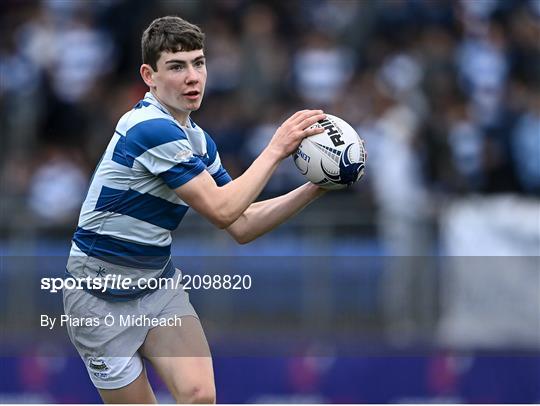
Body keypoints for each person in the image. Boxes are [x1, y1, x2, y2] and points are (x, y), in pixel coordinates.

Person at [63, 15, 328, 403]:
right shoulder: (149, 128)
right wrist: (275, 149)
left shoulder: (198, 141)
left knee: (200, 397)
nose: (192, 77)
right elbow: (223, 211)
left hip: (156, 286)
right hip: (96, 299)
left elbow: (242, 224)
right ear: (148, 75)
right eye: (176, 66)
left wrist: (316, 187)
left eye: (198, 63)